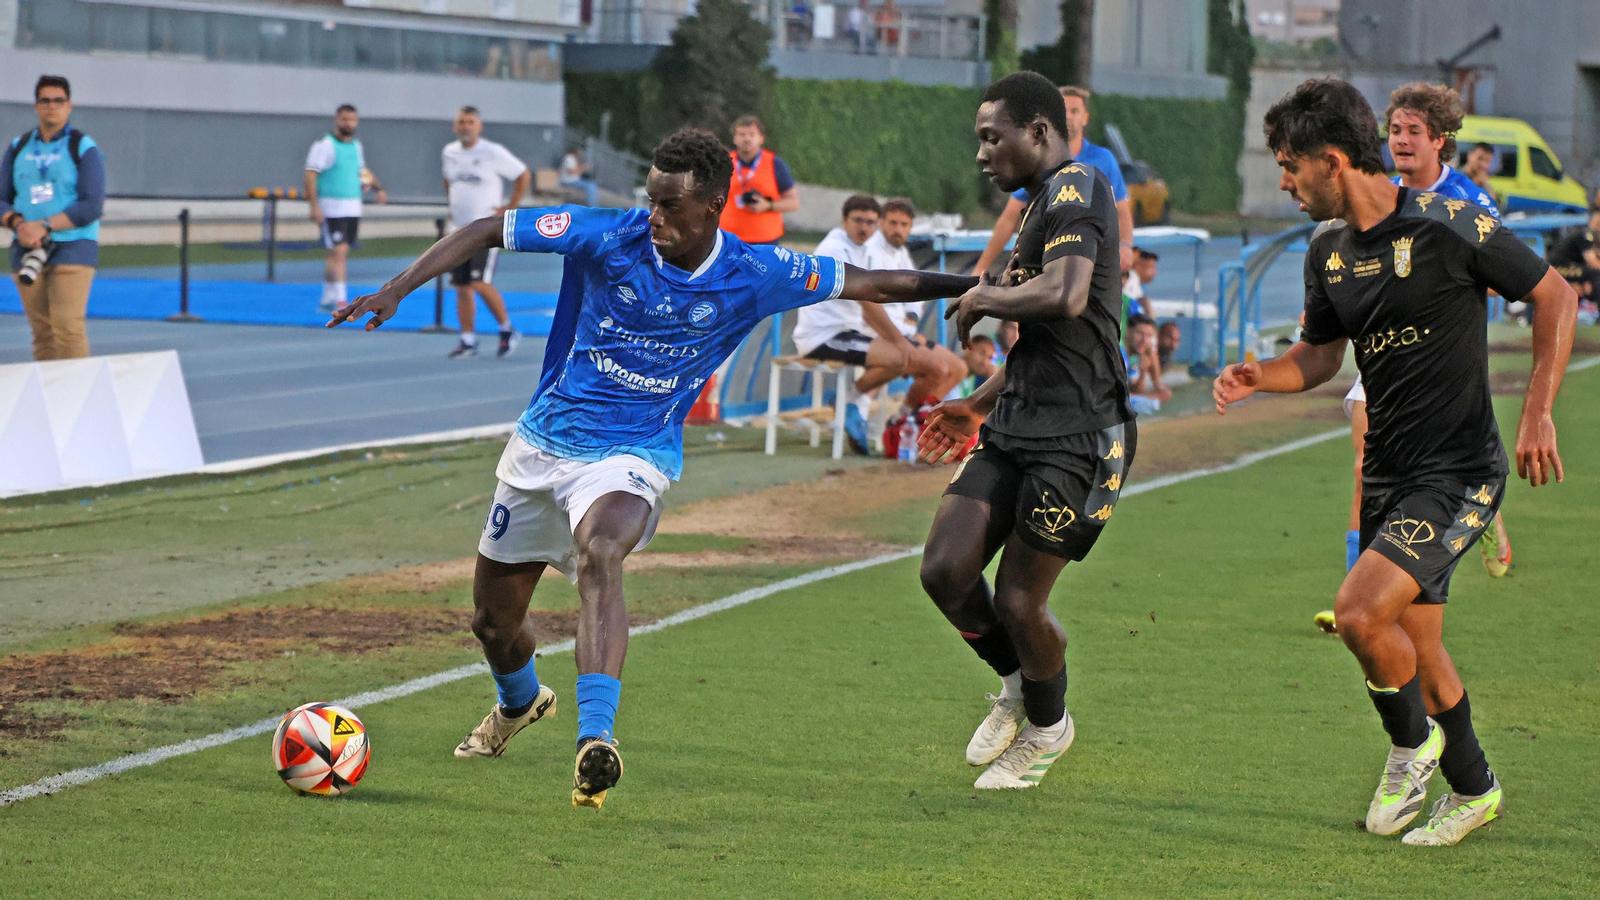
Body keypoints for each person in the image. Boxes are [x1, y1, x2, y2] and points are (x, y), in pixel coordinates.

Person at [328, 127, 977, 810]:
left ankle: (595, 741)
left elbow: (879, 278)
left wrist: (980, 287)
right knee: (493, 623)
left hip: (632, 455)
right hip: (545, 442)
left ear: (713, 207)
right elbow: (490, 227)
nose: (655, 218)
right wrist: (397, 288)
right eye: (652, 201)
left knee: (601, 553)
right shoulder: (606, 234)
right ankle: (518, 702)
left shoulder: (756, 273)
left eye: (670, 207)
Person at [1213, 78, 1576, 846]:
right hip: (1388, 472)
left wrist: (1539, 410)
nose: (1283, 181)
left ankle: (1412, 747)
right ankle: (1474, 790)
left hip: (1458, 473)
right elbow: (1316, 357)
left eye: (1289, 165)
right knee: (1419, 643)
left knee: (1357, 614)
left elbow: (1555, 296)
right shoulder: (1328, 253)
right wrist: (1261, 376)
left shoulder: (1452, 223)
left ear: (1333, 161)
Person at [914, 72, 1134, 790]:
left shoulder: (1078, 186)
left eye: (990, 136)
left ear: (1037, 131)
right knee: (945, 569)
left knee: (1016, 600)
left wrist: (986, 292)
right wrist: (977, 403)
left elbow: (1067, 296)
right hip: (1017, 423)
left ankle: (1047, 725)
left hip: (1081, 436)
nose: (981, 153)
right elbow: (1040, 341)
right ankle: (1017, 686)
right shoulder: (1042, 202)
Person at [1362, 82, 1511, 578]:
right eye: (1395, 130)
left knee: (1425, 469)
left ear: (1440, 138)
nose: (1400, 140)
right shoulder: (1385, 196)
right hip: (1385, 348)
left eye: (1413, 131)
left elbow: (1498, 280)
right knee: (1366, 468)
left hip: (1444, 354)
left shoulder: (1469, 204)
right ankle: (1358, 589)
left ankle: (1481, 511)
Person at [795, 195, 960, 454]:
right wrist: (898, 339)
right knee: (905, 357)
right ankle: (860, 406)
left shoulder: (861, 248)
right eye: (859, 221)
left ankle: (888, 416)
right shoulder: (835, 249)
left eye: (870, 222)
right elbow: (869, 304)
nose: (865, 228)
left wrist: (907, 328)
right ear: (843, 221)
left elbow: (907, 293)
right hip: (823, 335)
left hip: (849, 331)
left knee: (946, 365)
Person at [971, 85, 1136, 278]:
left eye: (1075, 111)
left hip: (1092, 263)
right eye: (1063, 111)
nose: (1069, 117)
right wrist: (980, 270)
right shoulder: (1039, 161)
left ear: (1085, 118)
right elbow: (1009, 219)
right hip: (1046, 264)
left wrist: (1126, 246)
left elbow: (1122, 211)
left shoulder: (1104, 160)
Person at [1, 75, 105, 360]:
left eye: (59, 100)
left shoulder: (84, 148)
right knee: (42, 331)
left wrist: (44, 226)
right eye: (45, 100)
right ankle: (49, 398)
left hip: (73, 245)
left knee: (67, 327)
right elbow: (1, 199)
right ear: (36, 106)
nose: (52, 106)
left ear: (69, 106)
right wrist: (19, 225)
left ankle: (78, 398)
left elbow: (91, 205)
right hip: (26, 247)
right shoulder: (18, 147)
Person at [442, 106, 531, 360]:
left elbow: (522, 174)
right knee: (461, 286)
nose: (465, 126)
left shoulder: (492, 152)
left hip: (485, 230)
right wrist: (452, 205)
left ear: (479, 126)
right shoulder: (449, 152)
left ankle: (507, 329)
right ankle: (467, 339)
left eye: (470, 122)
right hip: (458, 230)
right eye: (461, 122)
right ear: (454, 126)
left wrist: (510, 207)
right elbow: (447, 180)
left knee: (479, 282)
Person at [867, 196, 968, 412]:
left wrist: (911, 318)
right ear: (881, 222)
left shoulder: (902, 253)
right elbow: (870, 305)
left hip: (904, 331)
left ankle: (912, 418)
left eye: (904, 225)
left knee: (959, 368)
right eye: (893, 223)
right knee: (939, 369)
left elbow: (915, 297)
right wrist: (904, 330)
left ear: (911, 227)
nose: (898, 229)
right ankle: (903, 421)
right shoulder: (869, 252)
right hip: (878, 333)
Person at [305, 104, 386, 312]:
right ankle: (341, 299)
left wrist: (378, 187)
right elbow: (311, 173)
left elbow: (362, 171)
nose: (348, 123)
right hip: (331, 207)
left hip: (352, 206)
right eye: (344, 119)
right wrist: (314, 205)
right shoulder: (325, 144)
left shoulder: (356, 146)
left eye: (351, 119)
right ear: (336, 120)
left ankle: (326, 296)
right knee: (338, 251)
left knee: (339, 253)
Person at [718, 116, 799, 245]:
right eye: (742, 134)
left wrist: (768, 205)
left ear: (761, 138)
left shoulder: (775, 164)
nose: (747, 139)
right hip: (729, 238)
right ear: (734, 138)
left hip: (765, 240)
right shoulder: (724, 163)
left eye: (752, 134)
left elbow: (793, 202)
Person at [1122, 313, 1169, 414]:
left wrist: (1142, 372)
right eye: (1139, 333)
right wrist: (1155, 396)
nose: (1144, 340)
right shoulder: (1119, 354)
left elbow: (1136, 390)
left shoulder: (1134, 357)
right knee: (1154, 402)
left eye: (1148, 336)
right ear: (1128, 331)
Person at [1122, 247, 1157, 318]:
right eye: (1151, 267)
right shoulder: (1131, 280)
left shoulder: (1137, 286)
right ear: (1138, 264)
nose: (1155, 273)